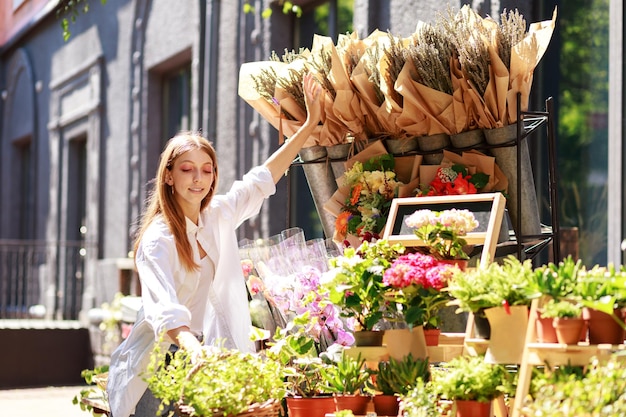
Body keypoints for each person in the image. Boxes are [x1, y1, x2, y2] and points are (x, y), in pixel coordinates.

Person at [106, 73, 323, 417]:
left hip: (202, 354)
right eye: (188, 169)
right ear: (169, 176)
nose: (198, 179)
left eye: (207, 170)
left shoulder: (216, 215)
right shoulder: (157, 239)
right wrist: (195, 350)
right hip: (160, 363)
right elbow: (166, 310)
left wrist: (309, 125)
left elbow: (261, 179)